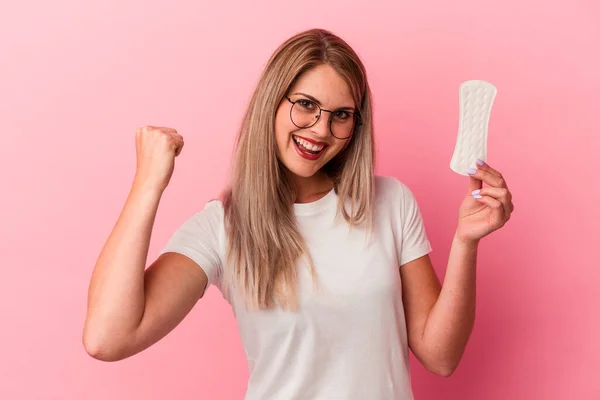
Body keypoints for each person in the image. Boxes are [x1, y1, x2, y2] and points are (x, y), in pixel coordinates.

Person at [83, 28, 514, 399]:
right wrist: (147, 185)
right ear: (272, 101)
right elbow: (107, 338)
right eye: (306, 105)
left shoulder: (391, 202)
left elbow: (440, 357)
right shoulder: (222, 228)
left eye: (341, 115)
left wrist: (465, 242)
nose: (321, 130)